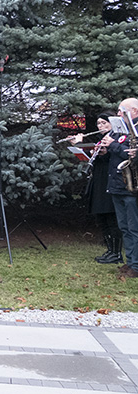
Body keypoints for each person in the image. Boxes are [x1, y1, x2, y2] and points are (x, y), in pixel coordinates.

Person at [68, 112, 123, 264]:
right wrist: (78, 146)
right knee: (101, 217)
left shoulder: (117, 138)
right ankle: (110, 250)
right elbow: (94, 159)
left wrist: (100, 149)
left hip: (110, 181)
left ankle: (117, 253)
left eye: (104, 123)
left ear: (112, 123)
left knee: (111, 218)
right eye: (99, 123)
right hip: (98, 181)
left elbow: (110, 158)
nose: (101, 126)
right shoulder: (101, 139)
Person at [102, 98, 138, 278]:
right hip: (117, 184)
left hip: (132, 188)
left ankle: (136, 266)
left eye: (121, 111)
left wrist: (113, 145)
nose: (118, 115)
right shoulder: (119, 130)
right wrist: (104, 149)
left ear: (135, 111)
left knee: (134, 227)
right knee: (124, 227)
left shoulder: (136, 130)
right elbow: (116, 151)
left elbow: (130, 153)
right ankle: (130, 261)